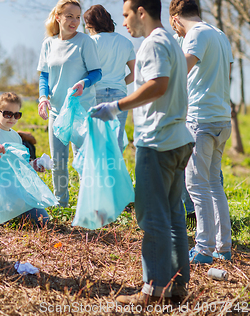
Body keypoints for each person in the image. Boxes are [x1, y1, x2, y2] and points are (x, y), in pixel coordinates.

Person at [90, 0, 194, 305]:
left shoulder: (153, 44)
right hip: (177, 139)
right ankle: (176, 286)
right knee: (174, 215)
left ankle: (153, 289)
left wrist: (116, 106)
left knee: (152, 217)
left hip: (158, 142)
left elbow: (158, 85)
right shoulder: (173, 43)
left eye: (125, 15)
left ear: (141, 12)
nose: (123, 22)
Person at [169, 0, 233, 263]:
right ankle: (223, 246)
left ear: (175, 19)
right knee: (214, 184)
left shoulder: (194, 34)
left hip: (200, 120)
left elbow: (179, 72)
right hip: (221, 120)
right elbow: (222, 73)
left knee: (196, 185)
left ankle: (204, 249)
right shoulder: (219, 35)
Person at [37, 0, 102, 207]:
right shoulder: (48, 43)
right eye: (69, 16)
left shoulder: (85, 42)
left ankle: (87, 205)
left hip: (81, 110)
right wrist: (43, 97)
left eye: (77, 17)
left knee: (83, 161)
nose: (74, 21)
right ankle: (61, 204)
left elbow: (96, 72)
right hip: (57, 111)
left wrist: (84, 82)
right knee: (58, 162)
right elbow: (44, 76)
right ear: (58, 17)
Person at [0, 92, 50, 228]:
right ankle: (4, 210)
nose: (12, 118)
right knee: (14, 212)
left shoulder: (17, 137)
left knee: (43, 221)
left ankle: (12, 210)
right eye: (8, 114)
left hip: (16, 186)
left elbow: (19, 166)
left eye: (17, 115)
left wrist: (33, 165)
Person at [83, 4, 135, 151]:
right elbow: (135, 73)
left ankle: (95, 174)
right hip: (119, 95)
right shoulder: (126, 42)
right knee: (115, 142)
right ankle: (114, 173)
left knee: (94, 141)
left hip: (95, 93)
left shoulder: (90, 42)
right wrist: (120, 83)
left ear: (91, 24)